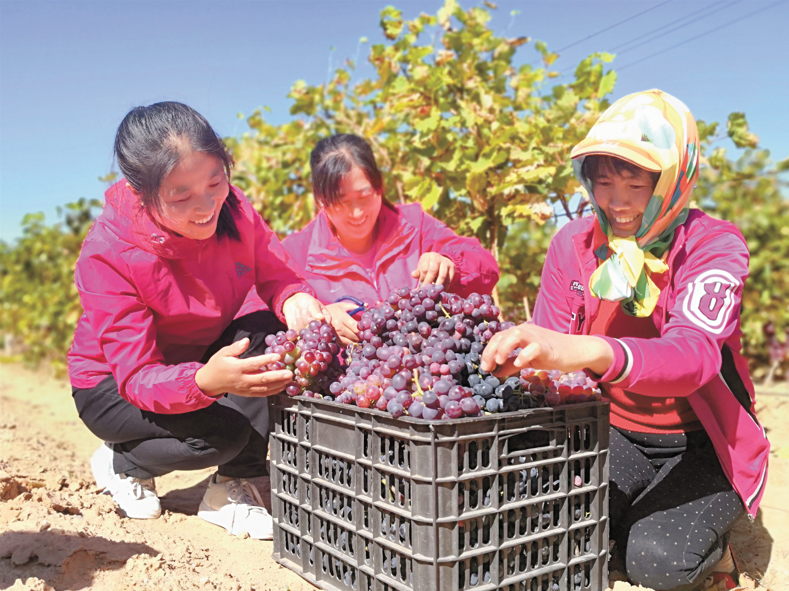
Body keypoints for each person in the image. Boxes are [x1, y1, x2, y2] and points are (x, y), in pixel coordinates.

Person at [480, 90, 769, 590]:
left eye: (636, 182)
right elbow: (551, 347)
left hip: (702, 442)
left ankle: (719, 551)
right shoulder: (573, 244)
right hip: (615, 427)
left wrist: (591, 350)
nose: (617, 201)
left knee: (655, 561)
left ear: (674, 178)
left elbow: (695, 355)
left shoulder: (712, 244)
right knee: (551, 524)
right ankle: (633, 510)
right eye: (604, 181)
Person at [68, 102, 330, 540]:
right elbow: (137, 375)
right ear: (142, 192)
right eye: (181, 195)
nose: (207, 205)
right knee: (221, 436)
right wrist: (206, 382)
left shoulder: (236, 210)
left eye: (216, 181)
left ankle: (231, 488)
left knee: (267, 327)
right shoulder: (107, 255)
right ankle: (122, 462)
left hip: (199, 358)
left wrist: (295, 298)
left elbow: (276, 274)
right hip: (113, 385)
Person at [281, 133, 500, 344]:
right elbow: (270, 315)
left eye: (365, 196)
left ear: (380, 187)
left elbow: (485, 268)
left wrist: (451, 263)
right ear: (320, 200)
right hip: (354, 380)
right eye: (340, 202)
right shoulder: (295, 254)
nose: (357, 213)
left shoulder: (415, 225)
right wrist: (318, 319)